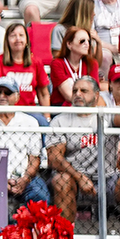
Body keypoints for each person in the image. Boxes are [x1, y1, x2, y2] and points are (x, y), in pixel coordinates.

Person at [47, 76, 119, 222]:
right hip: (74, 180)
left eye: (83, 91)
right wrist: (79, 177)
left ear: (97, 95)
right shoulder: (60, 120)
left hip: (108, 179)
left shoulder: (107, 115)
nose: (78, 94)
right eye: (75, 91)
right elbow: (54, 159)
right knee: (61, 180)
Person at [0, 78, 51, 207]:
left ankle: (32, 227)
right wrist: (0, 181)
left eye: (7, 93)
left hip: (25, 177)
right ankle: (1, 227)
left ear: (17, 97)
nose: (2, 96)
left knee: (40, 195)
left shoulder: (30, 122)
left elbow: (34, 158)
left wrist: (25, 179)